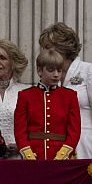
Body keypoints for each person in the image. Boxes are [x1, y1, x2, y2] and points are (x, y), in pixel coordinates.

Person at [15, 49, 81, 160]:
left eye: (59, 71)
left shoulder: (70, 96)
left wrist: (63, 154)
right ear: (39, 71)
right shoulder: (25, 96)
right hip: (33, 155)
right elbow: (20, 130)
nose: (56, 75)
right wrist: (28, 154)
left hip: (61, 156)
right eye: (51, 70)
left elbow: (74, 131)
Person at [39, 22, 92, 157]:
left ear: (63, 47)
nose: (44, 53)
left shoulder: (88, 70)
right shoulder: (47, 78)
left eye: (48, 47)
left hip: (85, 145)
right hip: (56, 148)